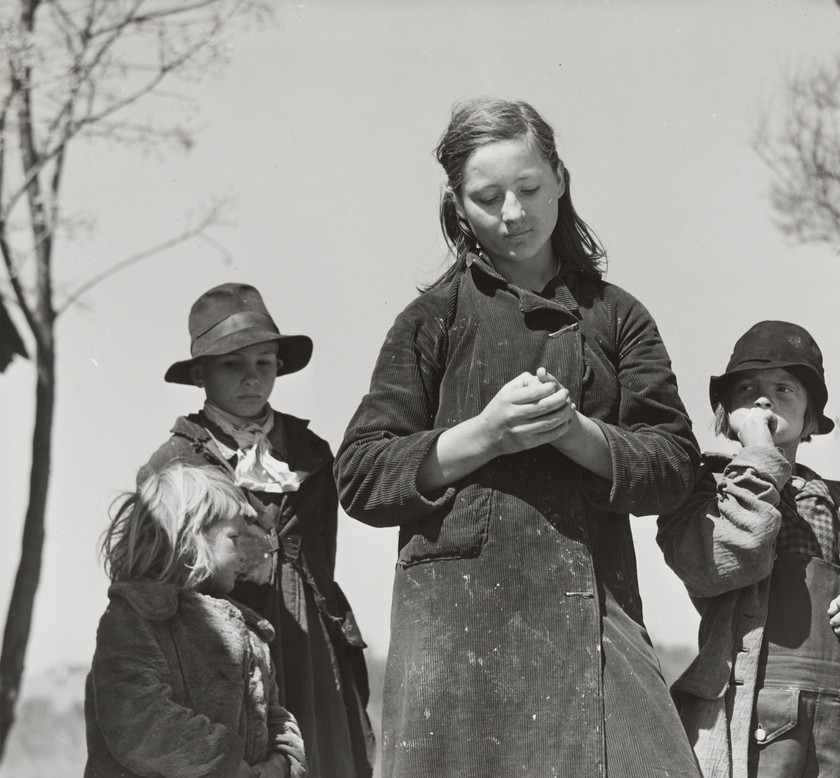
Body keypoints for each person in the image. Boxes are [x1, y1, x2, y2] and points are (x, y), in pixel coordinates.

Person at [335, 97, 703, 778]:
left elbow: (676, 464)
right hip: (455, 628)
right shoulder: (430, 320)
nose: (512, 213)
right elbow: (359, 475)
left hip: (593, 612)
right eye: (487, 197)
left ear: (560, 177)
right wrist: (484, 435)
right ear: (457, 204)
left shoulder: (616, 317)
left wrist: (579, 433)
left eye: (529, 188)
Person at [656, 320, 840, 778]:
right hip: (750, 722)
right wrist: (759, 456)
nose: (763, 399)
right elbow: (726, 558)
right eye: (748, 389)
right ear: (726, 414)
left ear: (810, 415)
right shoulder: (704, 492)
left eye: (783, 388)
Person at [140, 283, 374, 778]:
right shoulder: (173, 467)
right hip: (224, 651)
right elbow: (160, 584)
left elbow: (320, 553)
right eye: (232, 365)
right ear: (201, 373)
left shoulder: (310, 450)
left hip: (311, 645)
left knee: (322, 757)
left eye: (264, 364)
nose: (252, 379)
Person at [84, 463, 306, 778]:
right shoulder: (138, 616)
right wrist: (228, 765)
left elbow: (273, 715)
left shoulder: (251, 632)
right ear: (191, 536)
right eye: (234, 538)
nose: (244, 554)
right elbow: (139, 720)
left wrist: (282, 761)